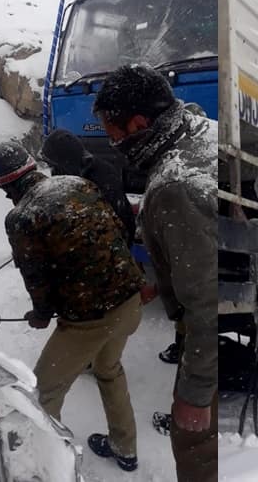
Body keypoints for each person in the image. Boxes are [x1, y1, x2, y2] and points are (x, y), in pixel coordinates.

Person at [0, 142, 145, 472]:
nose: (4, 196)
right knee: (108, 370)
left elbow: (37, 277)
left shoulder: (21, 217)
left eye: (3, 189)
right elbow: (115, 230)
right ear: (32, 166)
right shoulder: (79, 184)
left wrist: (41, 313)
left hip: (91, 318)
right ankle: (125, 447)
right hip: (130, 300)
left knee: (42, 393)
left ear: (5, 184)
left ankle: (45, 469)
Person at [93, 64, 217, 482]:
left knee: (193, 436)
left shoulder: (174, 187)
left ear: (139, 124)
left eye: (113, 133)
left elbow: (207, 304)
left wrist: (195, 396)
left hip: (207, 331)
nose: (113, 143)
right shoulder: (199, 129)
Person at [40, 128, 136, 247]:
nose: (52, 172)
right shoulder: (82, 172)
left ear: (65, 162)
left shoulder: (98, 180)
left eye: (53, 166)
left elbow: (119, 227)